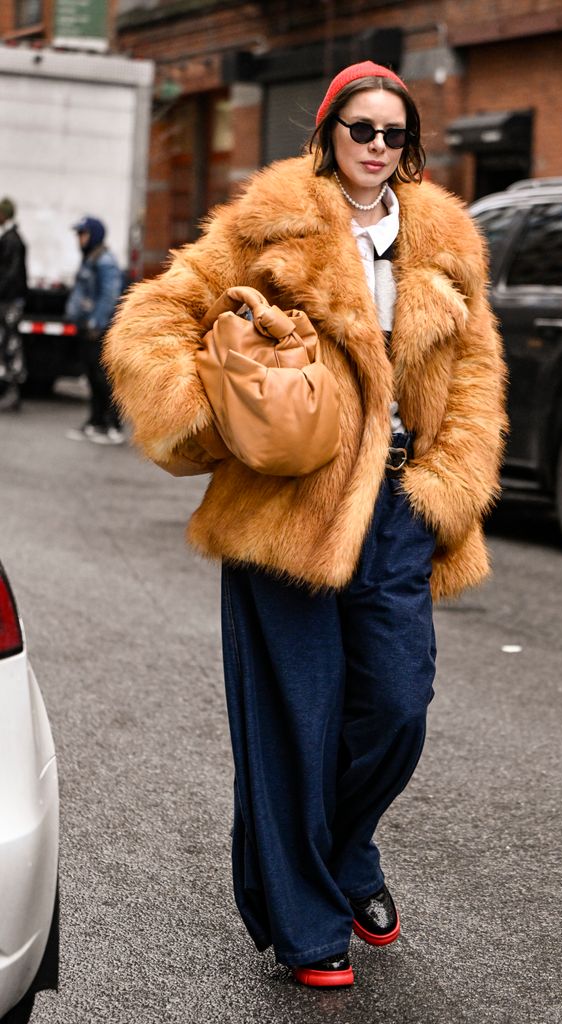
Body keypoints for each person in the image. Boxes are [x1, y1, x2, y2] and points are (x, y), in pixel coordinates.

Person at [104, 61, 507, 988]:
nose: (376, 147)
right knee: (295, 718)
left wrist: (448, 480)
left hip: (400, 509)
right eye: (360, 129)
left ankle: (347, 849)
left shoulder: (444, 239)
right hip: (288, 506)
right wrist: (208, 420)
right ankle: (309, 927)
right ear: (328, 133)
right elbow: (155, 319)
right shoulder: (268, 220)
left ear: (409, 149)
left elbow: (478, 374)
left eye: (393, 135)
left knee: (398, 707)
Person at [65, 216, 125, 444]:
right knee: (91, 376)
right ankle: (95, 422)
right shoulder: (91, 258)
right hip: (88, 327)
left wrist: (96, 323)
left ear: (94, 234)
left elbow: (109, 296)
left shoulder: (104, 261)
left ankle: (114, 427)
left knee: (103, 378)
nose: (79, 239)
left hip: (99, 330)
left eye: (83, 234)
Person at [0, 197, 28, 412]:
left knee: (10, 345)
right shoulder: (12, 238)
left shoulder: (11, 240)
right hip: (10, 300)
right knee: (8, 344)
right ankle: (11, 393)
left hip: (9, 301)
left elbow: (10, 274)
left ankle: (12, 393)